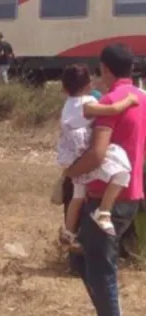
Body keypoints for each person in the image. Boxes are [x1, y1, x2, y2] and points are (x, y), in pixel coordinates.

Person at [64, 44, 145, 316]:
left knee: (98, 270)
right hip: (131, 192)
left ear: (105, 68)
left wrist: (71, 172)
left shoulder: (109, 102)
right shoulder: (141, 97)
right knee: (90, 259)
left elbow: (97, 153)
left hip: (104, 197)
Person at [56, 64, 136, 250]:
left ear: (64, 88)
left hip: (72, 157)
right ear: (88, 84)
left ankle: (68, 233)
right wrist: (129, 100)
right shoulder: (87, 103)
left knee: (77, 198)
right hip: (85, 155)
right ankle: (104, 211)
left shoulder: (68, 105)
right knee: (123, 172)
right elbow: (113, 109)